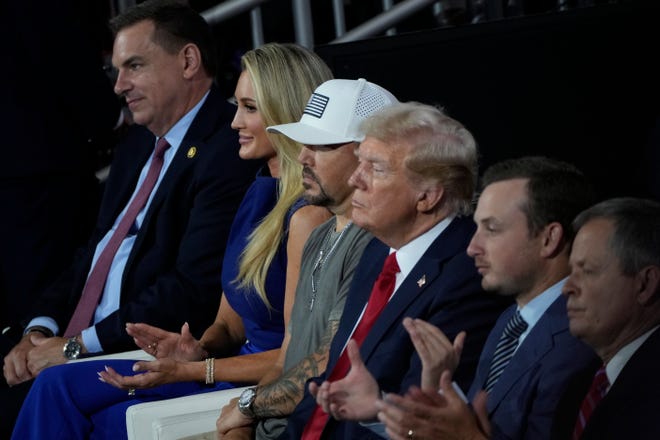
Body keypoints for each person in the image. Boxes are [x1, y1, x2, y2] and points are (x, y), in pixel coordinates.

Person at [10, 39, 334, 439]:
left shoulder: (308, 216)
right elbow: (226, 325)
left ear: (288, 114)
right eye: (237, 107)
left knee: (109, 420)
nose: (234, 122)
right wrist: (198, 347)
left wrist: (197, 369)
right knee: (55, 384)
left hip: (258, 382)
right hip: (217, 366)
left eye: (249, 109)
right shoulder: (255, 194)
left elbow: (295, 359)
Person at [1, 0, 259, 436]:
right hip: (80, 343)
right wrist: (38, 330)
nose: (119, 86)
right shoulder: (136, 147)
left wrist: (73, 348)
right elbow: (92, 254)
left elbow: (190, 288)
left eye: (134, 66)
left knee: (44, 394)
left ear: (188, 61)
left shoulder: (227, 147)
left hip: (145, 348)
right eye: (116, 70)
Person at [282, 102, 509, 439]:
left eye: (375, 168)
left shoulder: (466, 277)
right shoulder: (377, 248)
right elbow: (329, 381)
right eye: (360, 162)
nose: (354, 179)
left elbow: (419, 417)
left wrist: (377, 406)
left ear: (427, 196)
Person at [215, 78, 398, 440]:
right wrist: (245, 421)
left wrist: (247, 408)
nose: (302, 157)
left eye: (320, 145)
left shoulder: (374, 247)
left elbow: (323, 370)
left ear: (368, 155)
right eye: (302, 143)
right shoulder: (316, 237)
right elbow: (286, 361)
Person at [374, 156, 601, 440]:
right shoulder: (511, 320)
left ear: (549, 239)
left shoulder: (580, 341)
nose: (472, 247)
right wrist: (432, 389)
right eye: (477, 227)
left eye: (491, 229)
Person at [563, 197, 660, 440]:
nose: (567, 287)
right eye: (570, 272)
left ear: (645, 284)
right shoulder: (580, 385)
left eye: (587, 271)